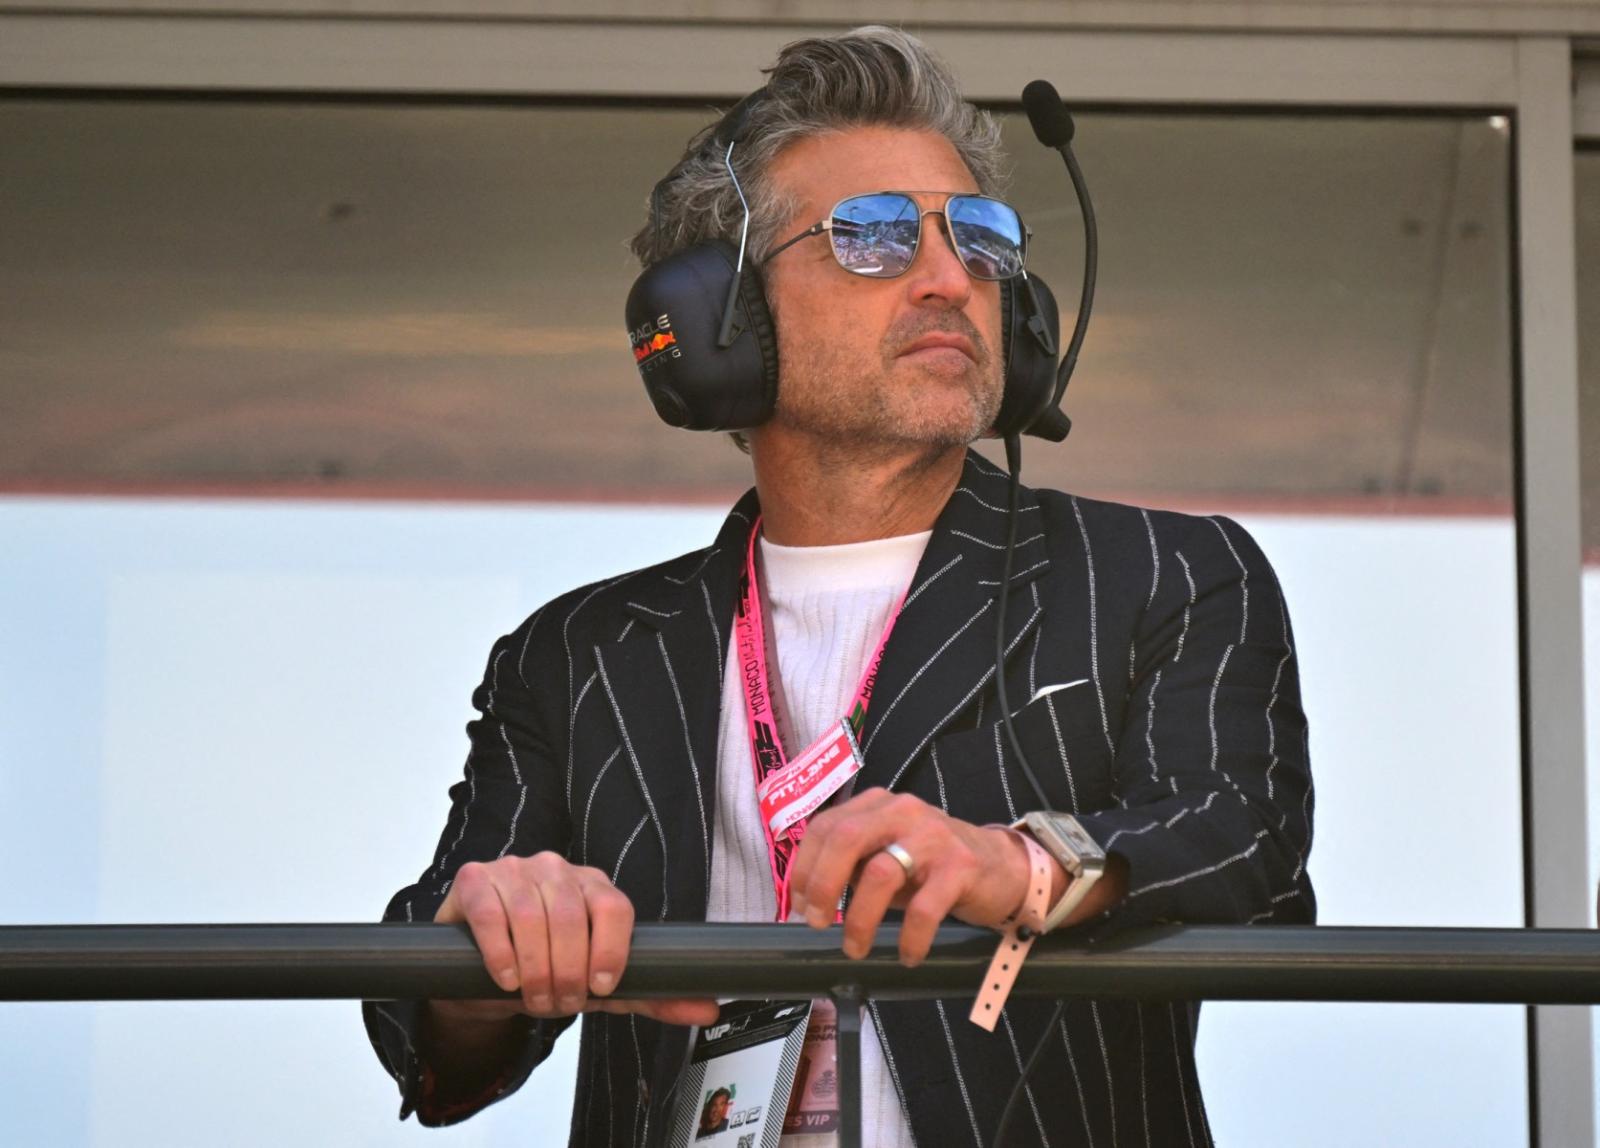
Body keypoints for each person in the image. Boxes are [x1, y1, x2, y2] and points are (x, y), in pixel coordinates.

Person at [364, 25, 1314, 1148]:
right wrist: (490, 946)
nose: (949, 278)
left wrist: (1021, 861)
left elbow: (1245, 846)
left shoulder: (1164, 572)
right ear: (726, 319)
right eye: (871, 235)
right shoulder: (578, 654)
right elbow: (431, 1048)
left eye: (979, 238)